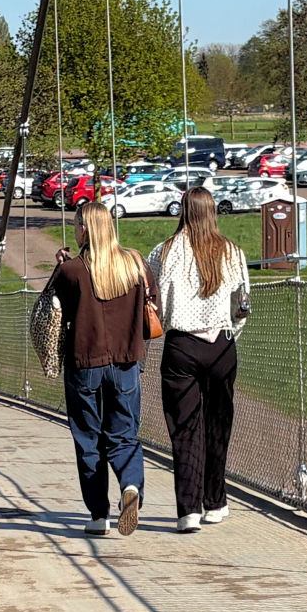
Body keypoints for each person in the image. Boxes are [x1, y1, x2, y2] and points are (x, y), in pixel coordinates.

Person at [147, 186, 250, 534]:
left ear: (182, 211)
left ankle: (188, 510)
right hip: (220, 345)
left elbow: (151, 296)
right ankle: (216, 501)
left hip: (181, 346)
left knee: (184, 428)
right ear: (212, 212)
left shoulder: (163, 252)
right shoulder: (232, 252)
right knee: (218, 423)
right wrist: (231, 330)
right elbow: (242, 302)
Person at [47, 201, 149, 537]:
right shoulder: (135, 264)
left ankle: (98, 514)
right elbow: (150, 313)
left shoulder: (72, 271)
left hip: (85, 363)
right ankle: (130, 486)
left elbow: (51, 310)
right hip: (126, 364)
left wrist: (58, 267)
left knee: (88, 439)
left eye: (76, 224)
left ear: (85, 228)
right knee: (123, 436)